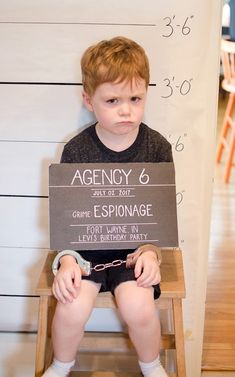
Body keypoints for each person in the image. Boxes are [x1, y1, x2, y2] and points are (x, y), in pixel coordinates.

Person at [43, 36, 173, 377]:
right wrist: (68, 258)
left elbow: (156, 217)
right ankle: (61, 364)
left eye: (135, 98)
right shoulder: (75, 151)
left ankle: (151, 364)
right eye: (112, 100)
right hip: (85, 253)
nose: (126, 110)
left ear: (146, 93)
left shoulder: (158, 148)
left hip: (134, 254)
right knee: (70, 308)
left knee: (140, 307)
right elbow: (67, 220)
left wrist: (149, 252)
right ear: (88, 100)